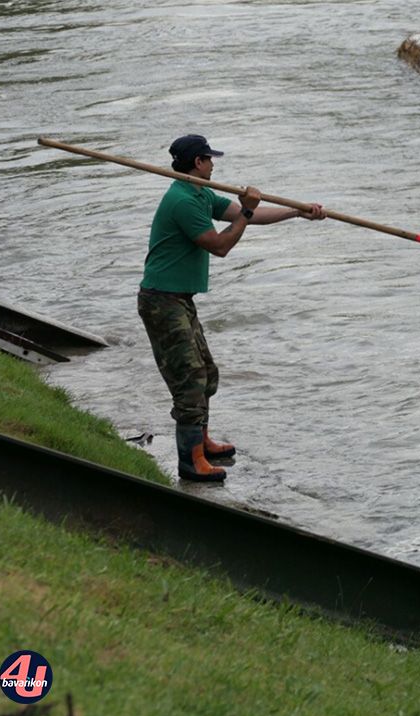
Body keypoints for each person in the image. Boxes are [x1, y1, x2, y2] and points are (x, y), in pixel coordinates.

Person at [138, 134, 324, 482]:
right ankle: (190, 462)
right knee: (189, 378)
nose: (214, 164)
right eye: (210, 159)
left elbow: (245, 216)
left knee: (206, 371)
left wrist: (297, 212)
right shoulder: (182, 201)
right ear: (198, 163)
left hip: (179, 298)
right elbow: (220, 246)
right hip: (161, 300)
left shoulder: (200, 193)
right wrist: (249, 209)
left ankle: (202, 441)